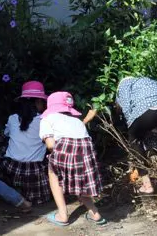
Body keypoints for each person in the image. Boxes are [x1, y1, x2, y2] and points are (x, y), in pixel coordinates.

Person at [39, 91, 106, 226]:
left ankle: (63, 215)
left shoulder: (47, 119)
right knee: (80, 181)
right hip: (86, 150)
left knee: (54, 174)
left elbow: (51, 145)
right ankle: (95, 213)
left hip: (65, 147)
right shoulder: (76, 121)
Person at [0, 81, 51, 205]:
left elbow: (6, 134)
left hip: (12, 168)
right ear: (38, 102)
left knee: (5, 146)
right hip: (34, 173)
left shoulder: (12, 118)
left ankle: (14, 188)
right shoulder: (45, 120)